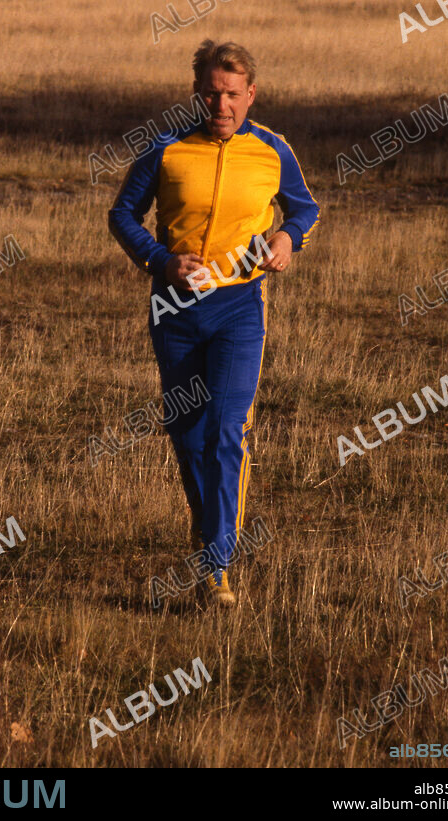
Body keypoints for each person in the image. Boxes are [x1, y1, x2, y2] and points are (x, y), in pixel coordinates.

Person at [109, 39, 319, 604]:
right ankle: (207, 536)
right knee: (188, 434)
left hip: (240, 307)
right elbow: (123, 214)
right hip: (174, 310)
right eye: (211, 93)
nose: (221, 105)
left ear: (251, 95)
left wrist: (286, 237)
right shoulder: (166, 148)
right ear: (197, 93)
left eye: (232, 94)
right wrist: (160, 260)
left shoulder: (274, 151)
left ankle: (217, 566)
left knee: (227, 431)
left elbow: (304, 208)